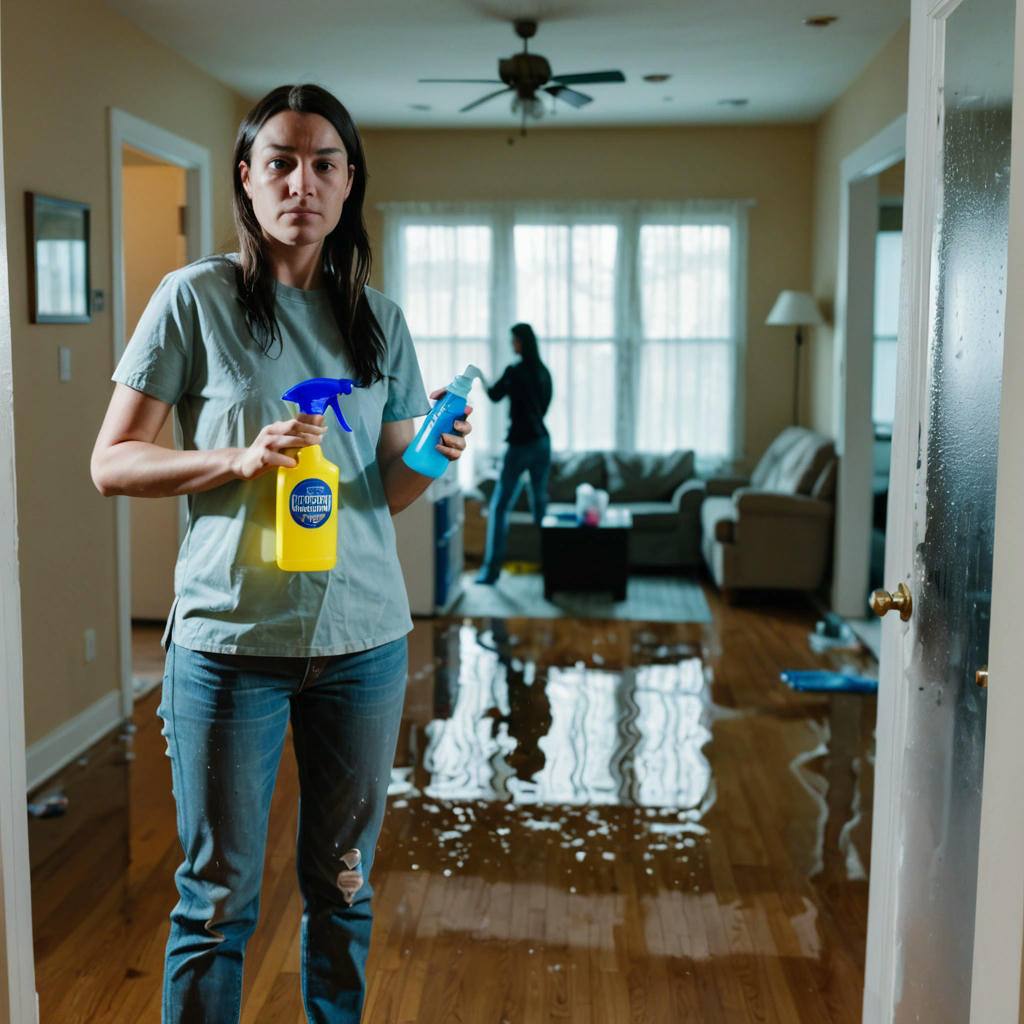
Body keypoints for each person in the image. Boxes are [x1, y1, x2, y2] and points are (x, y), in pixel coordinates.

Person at [90, 84, 471, 1024]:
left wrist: (431, 456)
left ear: (349, 186)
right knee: (217, 901)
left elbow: (380, 489)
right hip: (228, 648)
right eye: (281, 162)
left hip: (366, 643)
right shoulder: (195, 300)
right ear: (248, 183)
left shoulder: (380, 320)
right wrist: (237, 455)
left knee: (343, 888)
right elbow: (112, 462)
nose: (303, 182)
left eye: (324, 164)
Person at [475, 322, 553, 584]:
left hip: (519, 445)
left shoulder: (514, 371)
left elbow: (495, 395)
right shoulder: (544, 373)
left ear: (521, 342)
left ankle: (490, 572)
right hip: (542, 442)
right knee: (540, 507)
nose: (512, 345)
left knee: (499, 507)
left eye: (514, 340)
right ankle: (552, 568)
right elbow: (544, 407)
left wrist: (481, 379)